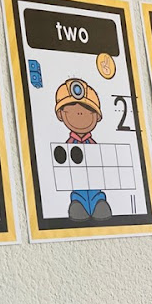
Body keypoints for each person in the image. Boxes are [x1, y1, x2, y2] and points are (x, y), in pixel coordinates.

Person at [55, 77, 112, 222]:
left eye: (88, 110)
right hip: (77, 185)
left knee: (97, 195)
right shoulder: (68, 145)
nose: (80, 113)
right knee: (78, 196)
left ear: (97, 116)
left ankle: (97, 202)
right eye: (71, 108)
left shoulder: (93, 145)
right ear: (61, 114)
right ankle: (79, 204)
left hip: (95, 185)